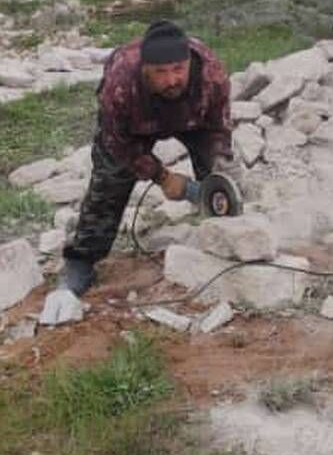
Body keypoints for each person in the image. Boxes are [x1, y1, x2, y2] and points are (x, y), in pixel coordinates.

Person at [61, 20, 234, 295]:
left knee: (223, 176)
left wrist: (221, 168)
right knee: (110, 179)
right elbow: (118, 144)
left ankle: (228, 234)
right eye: (161, 72)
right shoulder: (120, 82)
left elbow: (218, 130)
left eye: (178, 69)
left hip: (193, 119)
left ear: (188, 62)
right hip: (136, 125)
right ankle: (82, 259)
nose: (172, 80)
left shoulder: (211, 76)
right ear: (145, 69)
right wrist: (163, 177)